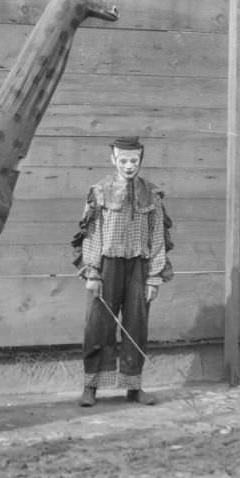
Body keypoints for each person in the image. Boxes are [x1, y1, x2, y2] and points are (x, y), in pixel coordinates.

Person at [72, 136, 173, 407]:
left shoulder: (152, 194)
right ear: (113, 160)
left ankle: (133, 386)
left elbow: (158, 237)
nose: (129, 166)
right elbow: (90, 234)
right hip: (107, 266)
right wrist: (92, 273)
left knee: (136, 326)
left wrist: (154, 277)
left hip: (139, 267)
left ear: (140, 161)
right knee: (97, 325)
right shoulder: (99, 191)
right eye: (124, 160)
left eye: (134, 161)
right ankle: (90, 387)